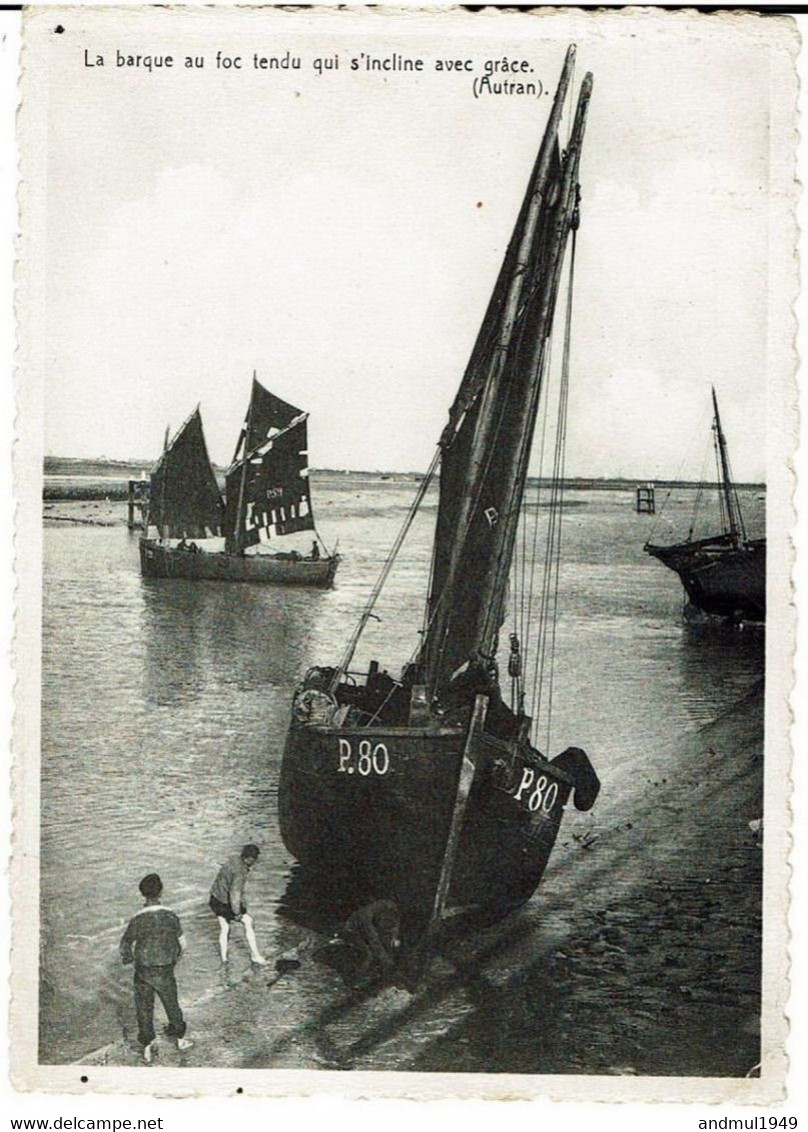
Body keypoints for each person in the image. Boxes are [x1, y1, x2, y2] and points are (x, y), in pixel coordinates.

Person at [120, 873, 193, 1064]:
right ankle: (180, 1039)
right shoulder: (171, 915)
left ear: (142, 895)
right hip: (164, 968)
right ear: (161, 891)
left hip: (143, 968)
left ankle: (146, 1047)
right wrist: (175, 959)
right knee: (171, 1003)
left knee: (144, 1007)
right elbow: (183, 944)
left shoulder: (137, 918)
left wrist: (128, 959)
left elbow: (126, 943)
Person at [209, 844, 267, 965]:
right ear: (250, 859)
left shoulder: (233, 860)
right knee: (248, 921)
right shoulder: (240, 871)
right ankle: (255, 956)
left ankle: (224, 959)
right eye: (254, 860)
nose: (254, 863)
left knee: (225, 928)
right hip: (225, 902)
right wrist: (237, 913)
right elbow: (235, 892)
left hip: (215, 899)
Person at [340, 899, 401, 986]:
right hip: (353, 931)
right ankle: (355, 980)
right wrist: (386, 959)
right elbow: (374, 941)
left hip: (371, 930)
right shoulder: (366, 919)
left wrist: (394, 940)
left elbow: (394, 930)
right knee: (368, 954)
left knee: (385, 949)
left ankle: (382, 973)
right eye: (383, 923)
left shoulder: (392, 910)